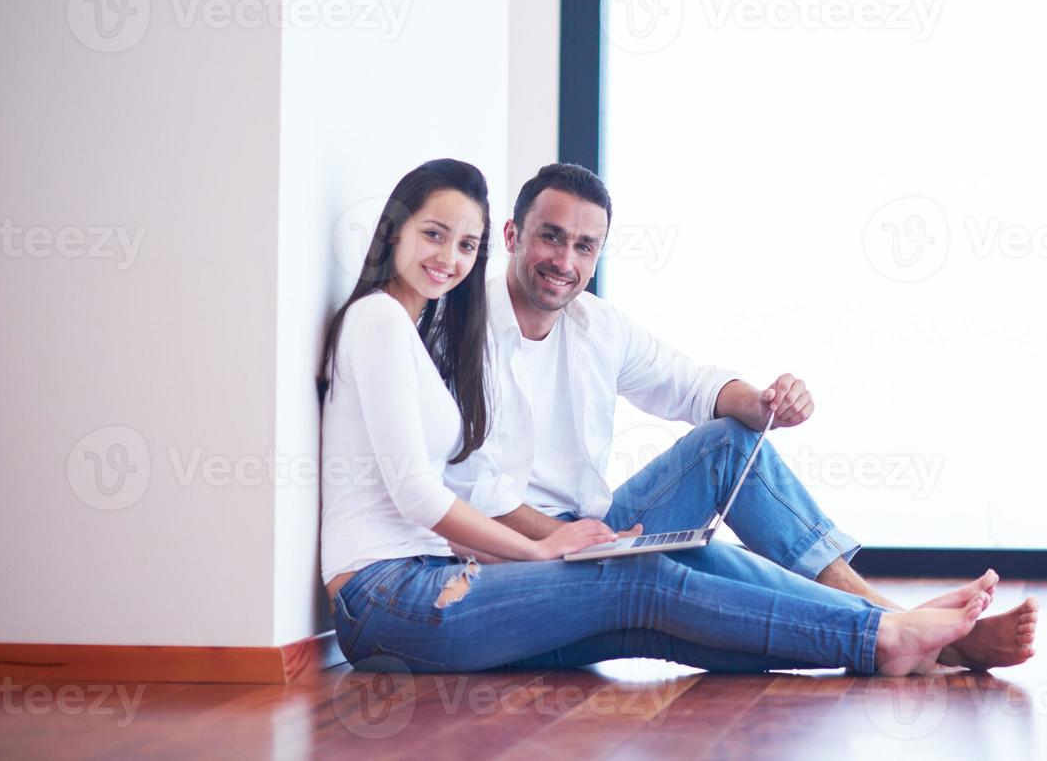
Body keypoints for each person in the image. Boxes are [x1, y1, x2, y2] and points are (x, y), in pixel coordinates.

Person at [320, 159, 991, 676]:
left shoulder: (591, 324)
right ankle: (887, 636)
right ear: (514, 237)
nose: (565, 260)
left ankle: (886, 622)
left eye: (585, 246)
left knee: (726, 448)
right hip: (494, 554)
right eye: (551, 238)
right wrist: (543, 546)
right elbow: (450, 492)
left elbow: (689, 383)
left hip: (562, 539)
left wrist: (765, 402)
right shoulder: (445, 331)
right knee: (666, 579)